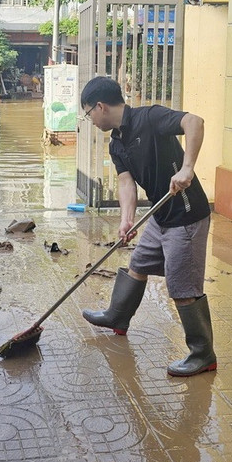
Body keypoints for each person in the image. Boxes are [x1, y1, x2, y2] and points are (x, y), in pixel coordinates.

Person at [79, 76, 216, 377]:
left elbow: (195, 121)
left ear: (100, 106)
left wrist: (187, 168)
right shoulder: (117, 143)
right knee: (138, 264)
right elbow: (126, 182)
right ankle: (118, 316)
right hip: (161, 215)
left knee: (183, 289)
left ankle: (203, 354)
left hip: (187, 215)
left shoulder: (150, 117)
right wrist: (126, 218)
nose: (89, 120)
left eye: (88, 113)